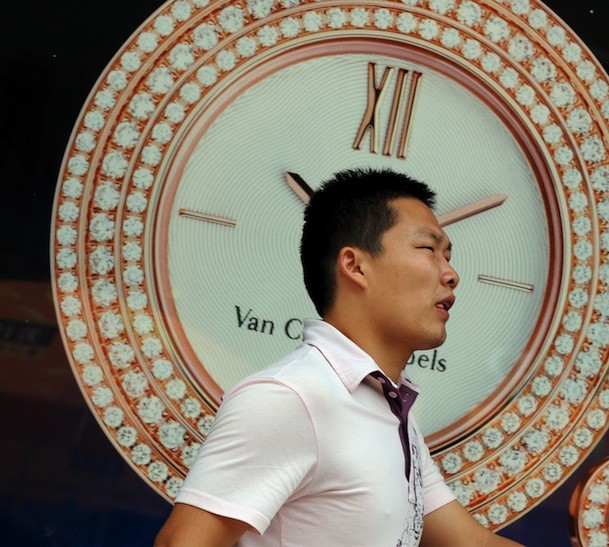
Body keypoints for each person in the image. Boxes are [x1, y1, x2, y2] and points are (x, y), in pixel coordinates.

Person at [155, 168, 522, 546]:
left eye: (448, 255)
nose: (451, 273)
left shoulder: (389, 407)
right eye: (428, 249)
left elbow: (470, 542)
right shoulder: (289, 397)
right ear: (355, 265)